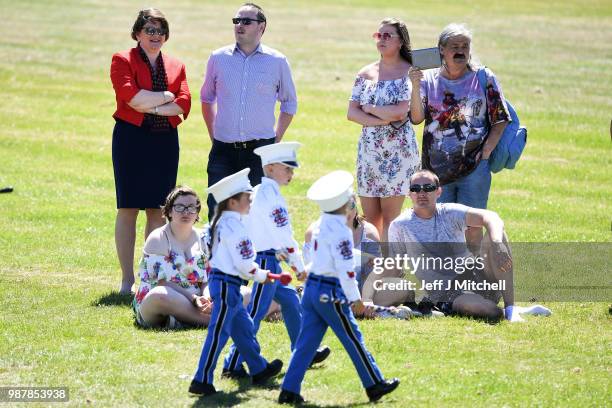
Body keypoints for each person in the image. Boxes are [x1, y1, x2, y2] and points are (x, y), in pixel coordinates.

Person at [279, 171, 400, 404]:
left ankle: (289, 389)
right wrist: (356, 298)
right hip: (331, 291)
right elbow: (345, 269)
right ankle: (374, 384)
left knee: (306, 342)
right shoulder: (342, 233)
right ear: (345, 204)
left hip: (313, 288)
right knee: (353, 338)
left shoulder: (319, 225)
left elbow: (320, 258)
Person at [222, 142, 330, 378]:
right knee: (255, 313)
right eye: (287, 168)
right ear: (270, 168)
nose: (291, 174)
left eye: (292, 169)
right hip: (264, 263)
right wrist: (299, 267)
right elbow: (284, 236)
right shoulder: (271, 197)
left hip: (267, 259)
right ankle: (232, 363)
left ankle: (304, 351)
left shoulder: (260, 192)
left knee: (291, 301)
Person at [386, 169, 551, 322]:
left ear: (438, 191)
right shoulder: (399, 226)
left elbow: (491, 217)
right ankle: (510, 310)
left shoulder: (449, 212)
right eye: (416, 188)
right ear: (409, 193)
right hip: (446, 292)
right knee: (490, 312)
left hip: (475, 275)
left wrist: (497, 244)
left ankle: (511, 308)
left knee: (497, 235)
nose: (421, 192)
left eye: (428, 187)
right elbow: (395, 267)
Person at [110, 8, 191, 294]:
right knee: (128, 207)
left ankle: (148, 277)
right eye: (149, 30)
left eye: (160, 30)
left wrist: (151, 104)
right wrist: (163, 100)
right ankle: (126, 280)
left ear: (166, 35)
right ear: (138, 33)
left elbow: (183, 104)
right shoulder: (123, 59)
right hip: (131, 139)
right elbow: (131, 98)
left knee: (157, 210)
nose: (155, 35)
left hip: (164, 141)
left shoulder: (176, 65)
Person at [409, 23, 510, 249]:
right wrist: (415, 87)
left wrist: (487, 151)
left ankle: (473, 275)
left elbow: (500, 117)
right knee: (442, 230)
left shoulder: (483, 77)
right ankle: (450, 278)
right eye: (455, 46)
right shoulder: (428, 79)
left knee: (472, 229)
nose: (461, 51)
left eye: (465, 46)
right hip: (437, 173)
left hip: (474, 169)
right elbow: (416, 118)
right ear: (441, 50)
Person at [190, 169, 284, 396]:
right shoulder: (236, 227)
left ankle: (258, 368)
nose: (251, 201)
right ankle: (201, 379)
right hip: (227, 284)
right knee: (218, 333)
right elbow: (245, 264)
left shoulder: (219, 222)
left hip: (221, 282)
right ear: (233, 202)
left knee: (243, 328)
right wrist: (264, 275)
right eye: (247, 198)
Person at [200, 2, 297, 220]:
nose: (239, 25)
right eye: (236, 21)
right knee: (217, 211)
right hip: (222, 151)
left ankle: (254, 256)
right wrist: (214, 134)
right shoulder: (218, 58)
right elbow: (206, 98)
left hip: (259, 152)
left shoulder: (277, 61)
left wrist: (274, 141)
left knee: (257, 214)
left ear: (261, 27)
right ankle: (216, 254)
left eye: (246, 21)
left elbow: (289, 104)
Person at [347, 17, 420, 242]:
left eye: (388, 35)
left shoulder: (411, 72)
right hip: (369, 154)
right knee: (369, 219)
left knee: (391, 219)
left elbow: (401, 112)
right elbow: (352, 113)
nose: (381, 39)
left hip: (399, 154)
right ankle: (372, 270)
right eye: (379, 35)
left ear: (401, 42)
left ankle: (391, 271)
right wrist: (381, 117)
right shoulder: (365, 73)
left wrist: (369, 109)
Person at [132, 186, 211, 329]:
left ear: (197, 213)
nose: (186, 212)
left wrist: (207, 297)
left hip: (197, 300)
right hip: (162, 301)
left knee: (244, 293)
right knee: (160, 295)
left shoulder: (203, 238)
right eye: (179, 207)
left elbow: (207, 280)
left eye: (191, 207)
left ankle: (183, 321)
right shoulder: (158, 238)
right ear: (169, 211)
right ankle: (211, 321)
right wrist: (194, 300)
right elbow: (164, 284)